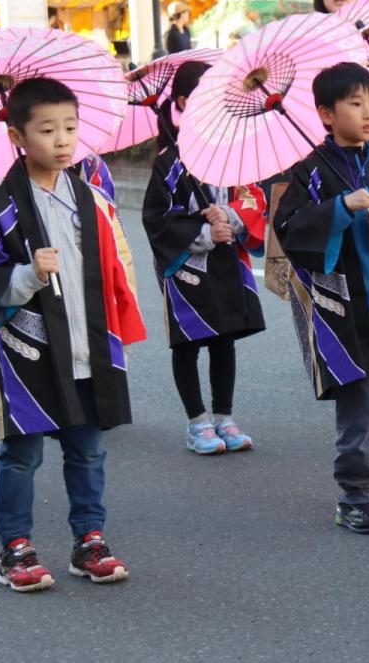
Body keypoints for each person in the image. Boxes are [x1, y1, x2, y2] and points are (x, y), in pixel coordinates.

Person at [0, 77, 146, 592]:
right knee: (23, 451)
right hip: (27, 344)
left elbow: (117, 267)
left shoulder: (91, 197)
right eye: (47, 129)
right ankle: (15, 548)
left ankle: (89, 540)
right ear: (16, 136)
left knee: (88, 449)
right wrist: (28, 274)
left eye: (70, 128)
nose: (62, 140)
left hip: (87, 342)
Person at [275, 62, 369, 535]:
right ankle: (355, 495)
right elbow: (290, 231)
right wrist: (342, 207)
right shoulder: (307, 173)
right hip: (343, 307)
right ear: (325, 113)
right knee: (359, 405)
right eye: (355, 104)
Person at [143, 61, 267, 454]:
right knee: (188, 342)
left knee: (224, 337)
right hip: (188, 267)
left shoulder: (231, 151)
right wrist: (202, 233)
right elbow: (156, 218)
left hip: (227, 258)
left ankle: (224, 417)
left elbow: (252, 195)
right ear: (182, 102)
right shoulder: (168, 162)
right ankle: (197, 421)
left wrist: (230, 215)